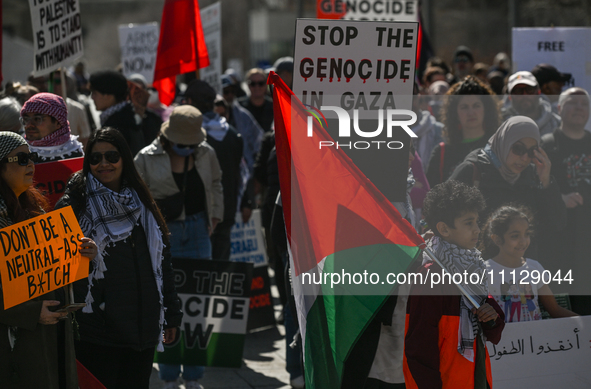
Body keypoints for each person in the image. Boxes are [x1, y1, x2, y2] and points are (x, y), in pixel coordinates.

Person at [55, 128, 182, 389]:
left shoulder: (143, 202)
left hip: (143, 332)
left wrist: (171, 315)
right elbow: (56, 266)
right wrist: (84, 257)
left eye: (111, 156)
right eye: (95, 158)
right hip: (98, 335)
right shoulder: (73, 204)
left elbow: (162, 265)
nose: (104, 164)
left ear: (124, 158)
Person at [0, 131, 97, 388]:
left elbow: (50, 269)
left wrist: (83, 255)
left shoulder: (37, 210)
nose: (31, 164)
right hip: (13, 346)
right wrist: (31, 313)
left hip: (47, 339)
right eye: (21, 159)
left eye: (31, 157)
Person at [134, 105, 222, 388]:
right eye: (180, 143)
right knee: (167, 305)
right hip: (164, 235)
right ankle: (169, 374)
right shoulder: (146, 158)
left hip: (198, 230)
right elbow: (134, 196)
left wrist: (216, 214)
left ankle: (194, 375)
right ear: (168, 137)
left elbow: (217, 183)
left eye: (190, 144)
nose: (185, 148)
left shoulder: (206, 153)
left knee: (198, 306)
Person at [403, 180, 505, 389]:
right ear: (444, 229)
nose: (477, 229)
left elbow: (492, 328)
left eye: (477, 221)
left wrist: (491, 317)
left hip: (476, 377)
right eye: (469, 223)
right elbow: (418, 349)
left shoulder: (474, 267)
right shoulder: (431, 276)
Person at [449, 116, 567, 260]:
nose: (524, 158)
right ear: (504, 141)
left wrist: (546, 181)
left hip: (520, 272)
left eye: (531, 152)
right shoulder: (472, 170)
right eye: (518, 149)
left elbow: (558, 223)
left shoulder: (533, 175)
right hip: (475, 269)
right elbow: (441, 216)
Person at [541, 87, 591, 314]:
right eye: (573, 103)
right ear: (559, 109)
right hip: (560, 249)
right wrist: (558, 198)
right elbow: (532, 191)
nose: (579, 108)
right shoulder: (546, 145)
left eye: (584, 104)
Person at [481, 205, 577, 322]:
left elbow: (554, 309)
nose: (523, 241)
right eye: (515, 236)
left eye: (527, 234)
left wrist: (586, 323)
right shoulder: (484, 271)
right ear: (497, 239)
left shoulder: (534, 267)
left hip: (536, 339)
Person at [184, 79, 245, 260]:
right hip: (226, 212)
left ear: (191, 102)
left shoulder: (190, 136)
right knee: (220, 271)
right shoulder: (233, 134)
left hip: (199, 215)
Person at [426, 76, 500, 186]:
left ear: (486, 109)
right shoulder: (441, 153)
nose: (471, 112)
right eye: (464, 107)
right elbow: (431, 196)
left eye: (476, 106)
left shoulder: (499, 149)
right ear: (454, 113)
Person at [89, 70, 145, 155]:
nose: (92, 97)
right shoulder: (126, 116)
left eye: (95, 93)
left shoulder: (119, 125)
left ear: (108, 96)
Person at [20, 92, 84, 162]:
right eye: (26, 119)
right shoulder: (18, 152)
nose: (29, 125)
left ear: (58, 123)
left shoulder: (72, 150)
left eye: (37, 119)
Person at [502, 71, 561, 136]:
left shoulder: (557, 123)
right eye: (518, 91)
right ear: (510, 97)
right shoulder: (501, 125)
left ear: (538, 92)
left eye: (530, 89)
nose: (524, 95)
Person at [239, 68, 274, 132]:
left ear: (266, 84)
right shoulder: (239, 107)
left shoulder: (275, 107)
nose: (257, 87)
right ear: (248, 85)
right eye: (253, 83)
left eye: (261, 83)